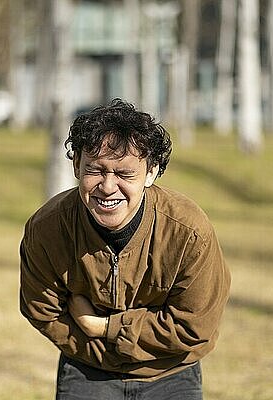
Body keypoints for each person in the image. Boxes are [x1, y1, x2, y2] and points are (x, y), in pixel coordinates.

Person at [20, 99, 230, 399]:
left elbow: (194, 327)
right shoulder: (48, 229)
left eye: (124, 174)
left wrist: (103, 327)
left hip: (172, 372)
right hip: (86, 369)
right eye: (95, 170)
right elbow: (42, 311)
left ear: (151, 172)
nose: (107, 186)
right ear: (76, 165)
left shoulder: (189, 232)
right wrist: (101, 350)